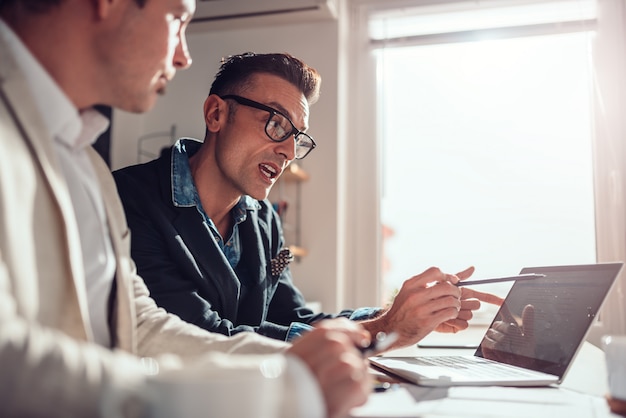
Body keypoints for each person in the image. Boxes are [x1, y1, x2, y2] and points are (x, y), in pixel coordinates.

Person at [0, 1, 373, 417]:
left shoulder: (88, 168)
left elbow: (140, 324)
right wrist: (277, 385)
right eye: (177, 18)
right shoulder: (129, 194)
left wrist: (295, 363)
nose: (183, 55)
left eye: (296, 137)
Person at [113, 52, 501, 352]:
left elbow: (293, 318)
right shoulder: (129, 199)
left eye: (297, 137)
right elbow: (200, 337)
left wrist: (400, 314)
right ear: (216, 113)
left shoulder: (264, 220)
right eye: (276, 123)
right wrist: (385, 330)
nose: (287, 151)